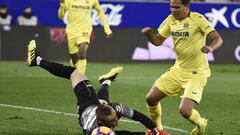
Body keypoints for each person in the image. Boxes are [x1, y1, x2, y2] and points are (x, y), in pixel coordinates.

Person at [26, 40, 169, 135]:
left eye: (115, 117)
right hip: (88, 113)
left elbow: (137, 116)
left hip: (87, 104)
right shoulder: (96, 131)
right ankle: (106, 81)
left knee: (73, 73)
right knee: (102, 101)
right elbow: (124, 134)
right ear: (102, 123)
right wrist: (146, 134)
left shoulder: (112, 111)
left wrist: (154, 129)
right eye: (114, 120)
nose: (117, 120)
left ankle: (37, 61)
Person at [141, 0, 223, 135]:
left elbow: (218, 39)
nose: (174, 10)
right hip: (178, 69)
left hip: (197, 73)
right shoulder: (170, 20)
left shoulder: (198, 19)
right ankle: (158, 130)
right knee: (151, 98)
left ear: (186, 7)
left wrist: (210, 47)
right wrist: (149, 34)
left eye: (177, 7)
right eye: (171, 7)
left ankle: (201, 124)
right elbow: (157, 41)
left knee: (185, 111)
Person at [58, 0, 112, 75]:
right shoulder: (68, 0)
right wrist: (62, 5)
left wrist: (107, 29)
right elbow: (61, 16)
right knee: (74, 59)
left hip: (85, 30)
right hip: (72, 31)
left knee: (82, 53)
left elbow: (100, 12)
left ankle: (80, 78)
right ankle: (74, 69)